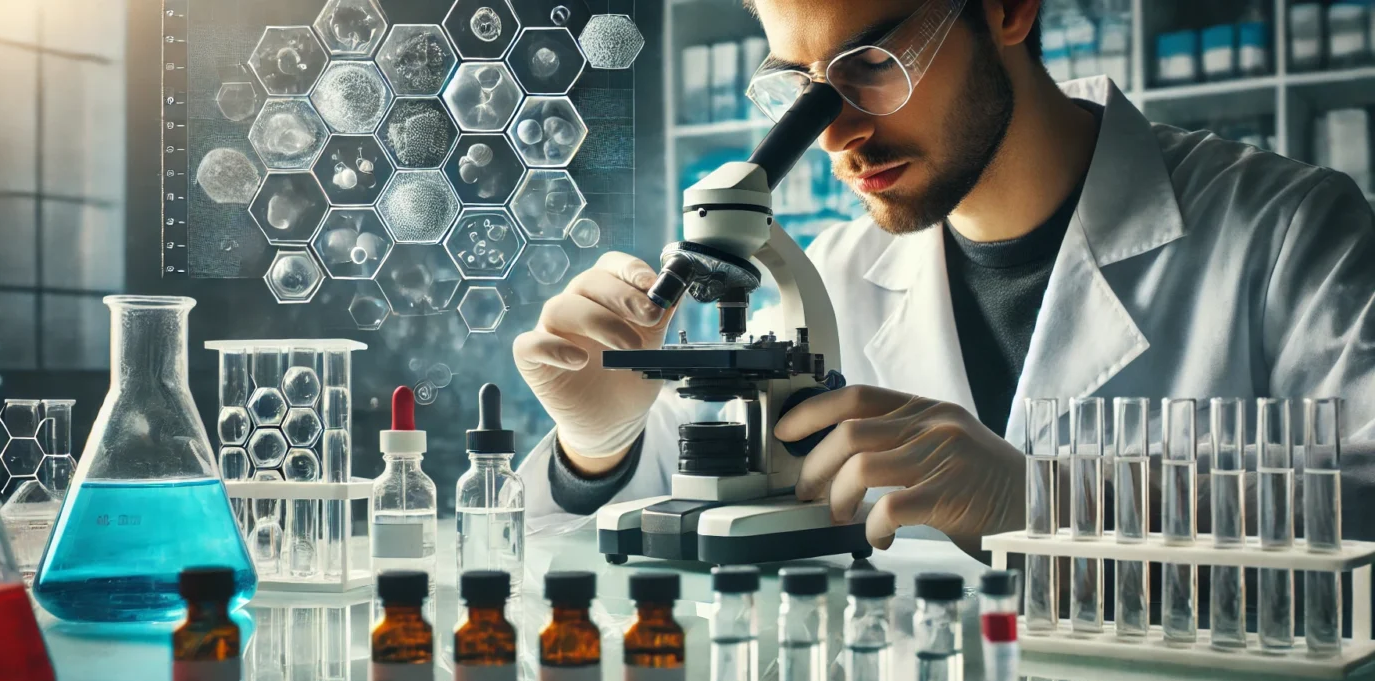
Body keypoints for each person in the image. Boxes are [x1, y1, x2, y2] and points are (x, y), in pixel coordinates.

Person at [512, 0, 1375, 560]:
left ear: (1005, 10)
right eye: (802, 89)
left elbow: (1364, 514)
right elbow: (607, 540)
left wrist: (1044, 502)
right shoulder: (839, 274)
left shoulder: (1290, 232)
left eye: (872, 66)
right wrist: (599, 447)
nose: (837, 135)